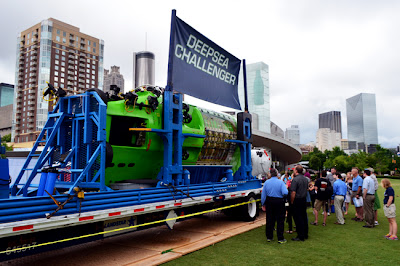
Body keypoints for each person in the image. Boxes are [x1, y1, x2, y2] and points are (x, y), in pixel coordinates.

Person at [261, 168, 289, 244]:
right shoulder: (281, 182)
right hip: (279, 202)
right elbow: (285, 192)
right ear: (277, 174)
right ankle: (280, 238)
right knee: (280, 220)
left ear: (270, 174)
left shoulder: (266, 182)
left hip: (270, 201)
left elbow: (263, 195)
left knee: (269, 219)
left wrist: (263, 204)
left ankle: (269, 237)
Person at [290, 165, 309, 241]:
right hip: (303, 199)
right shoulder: (305, 179)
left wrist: (292, 201)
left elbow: (293, 192)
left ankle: (300, 235)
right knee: (304, 216)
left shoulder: (295, 180)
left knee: (298, 218)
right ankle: (305, 233)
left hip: (297, 200)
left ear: (296, 171)